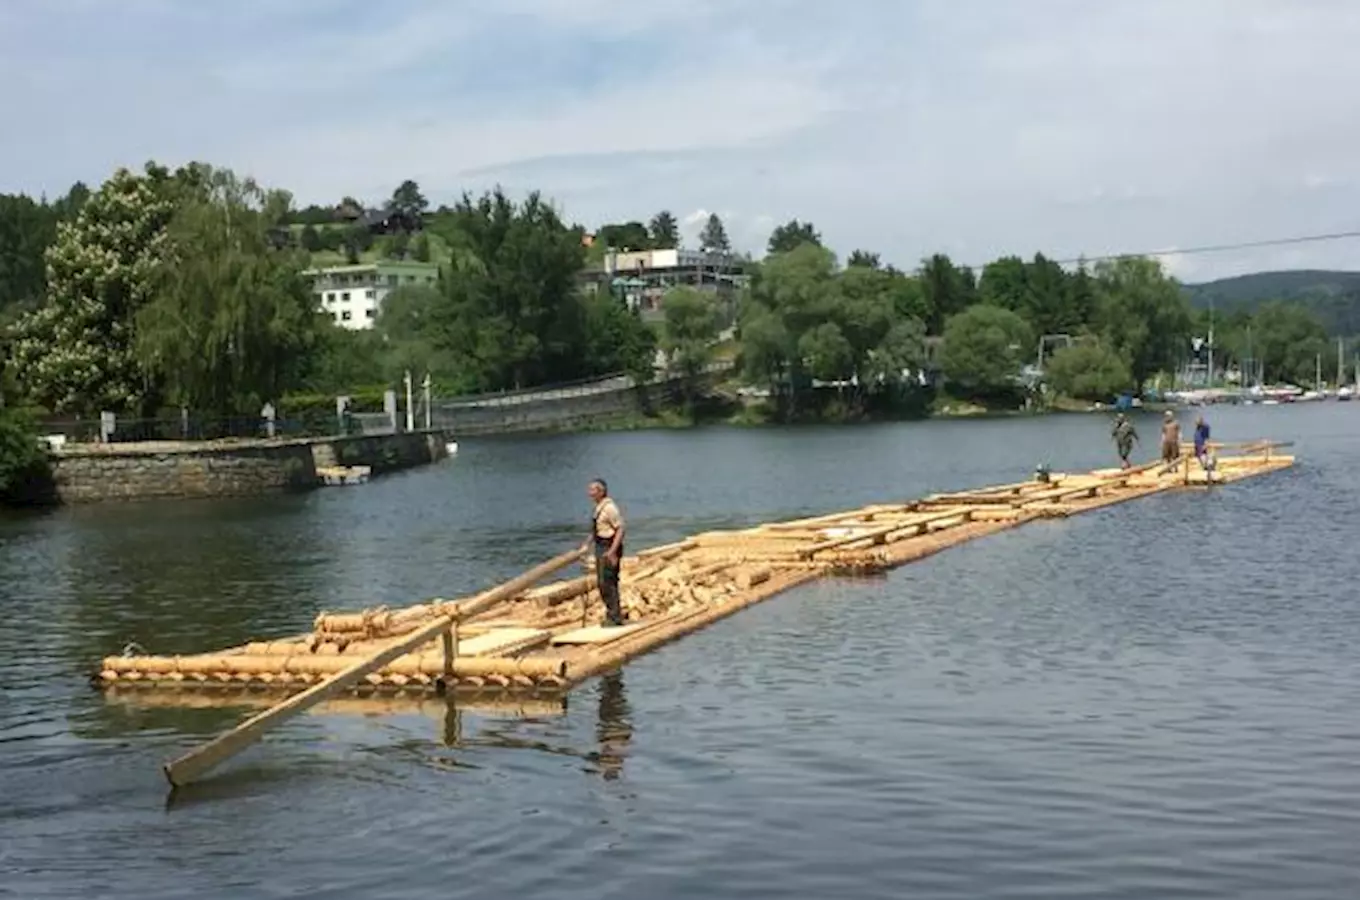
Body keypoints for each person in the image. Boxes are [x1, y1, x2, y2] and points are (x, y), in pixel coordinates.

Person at [581, 478, 626, 627]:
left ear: (601, 491)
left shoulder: (610, 508)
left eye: (593, 490)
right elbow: (597, 529)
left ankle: (615, 616)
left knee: (608, 581)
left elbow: (620, 529)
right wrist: (586, 545)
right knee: (602, 582)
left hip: (609, 546)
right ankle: (611, 614)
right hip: (600, 545)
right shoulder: (599, 507)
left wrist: (612, 551)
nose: (590, 493)